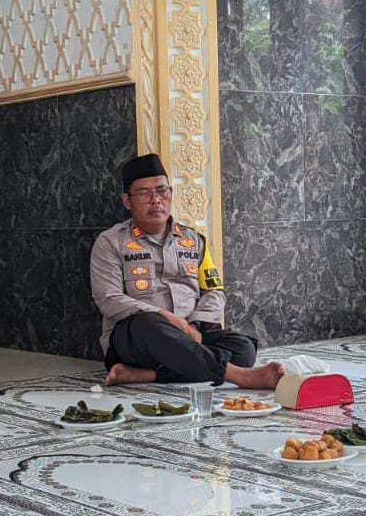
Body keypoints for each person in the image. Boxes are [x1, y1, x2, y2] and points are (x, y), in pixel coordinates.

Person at [90, 153, 284, 388]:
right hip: (137, 338)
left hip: (189, 334)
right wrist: (167, 318)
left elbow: (214, 291)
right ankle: (239, 376)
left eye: (162, 191)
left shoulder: (193, 240)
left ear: (170, 194)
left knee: (242, 348)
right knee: (149, 325)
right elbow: (108, 299)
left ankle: (147, 375)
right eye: (144, 193)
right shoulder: (110, 242)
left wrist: (194, 325)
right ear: (127, 201)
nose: (155, 200)